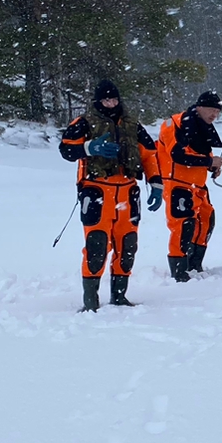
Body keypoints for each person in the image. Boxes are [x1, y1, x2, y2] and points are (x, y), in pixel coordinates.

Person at [59, 78, 162, 311]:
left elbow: (149, 155)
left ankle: (119, 296)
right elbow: (65, 149)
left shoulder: (132, 125)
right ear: (98, 101)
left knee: (127, 245)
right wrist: (89, 147)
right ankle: (90, 301)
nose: (111, 103)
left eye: (114, 99)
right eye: (106, 99)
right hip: (97, 191)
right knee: (97, 245)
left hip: (127, 192)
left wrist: (156, 183)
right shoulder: (83, 123)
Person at [155, 90, 222, 281]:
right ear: (199, 107)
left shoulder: (203, 127)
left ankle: (195, 264)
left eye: (218, 112)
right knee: (183, 225)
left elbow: (199, 154)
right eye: (212, 110)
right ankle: (179, 270)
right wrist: (207, 162)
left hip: (198, 184)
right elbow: (177, 155)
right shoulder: (175, 124)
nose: (214, 115)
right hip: (177, 183)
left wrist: (212, 166)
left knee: (206, 221)